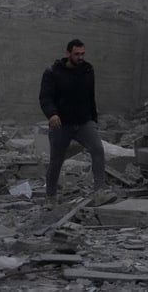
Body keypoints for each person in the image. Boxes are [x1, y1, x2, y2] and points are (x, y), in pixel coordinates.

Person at [39, 39, 106, 204]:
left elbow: (91, 97)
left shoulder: (88, 70)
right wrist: (52, 114)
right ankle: (51, 197)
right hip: (61, 123)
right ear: (68, 53)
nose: (80, 57)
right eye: (77, 54)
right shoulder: (53, 72)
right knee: (56, 160)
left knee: (98, 150)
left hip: (84, 122)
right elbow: (45, 97)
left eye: (82, 54)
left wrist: (94, 120)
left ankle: (99, 192)